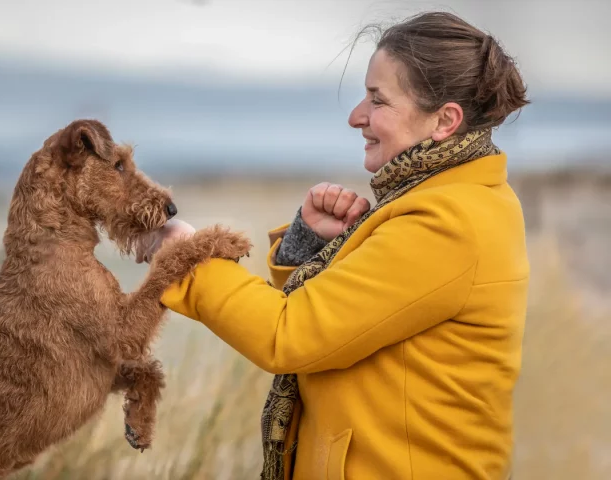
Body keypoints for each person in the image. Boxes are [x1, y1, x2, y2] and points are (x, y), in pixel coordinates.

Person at [136, 11, 530, 480]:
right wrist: (306, 247)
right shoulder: (456, 199)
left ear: (444, 120)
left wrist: (187, 255)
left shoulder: (447, 222)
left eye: (377, 100)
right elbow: (342, 328)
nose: (356, 117)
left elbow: (289, 335)